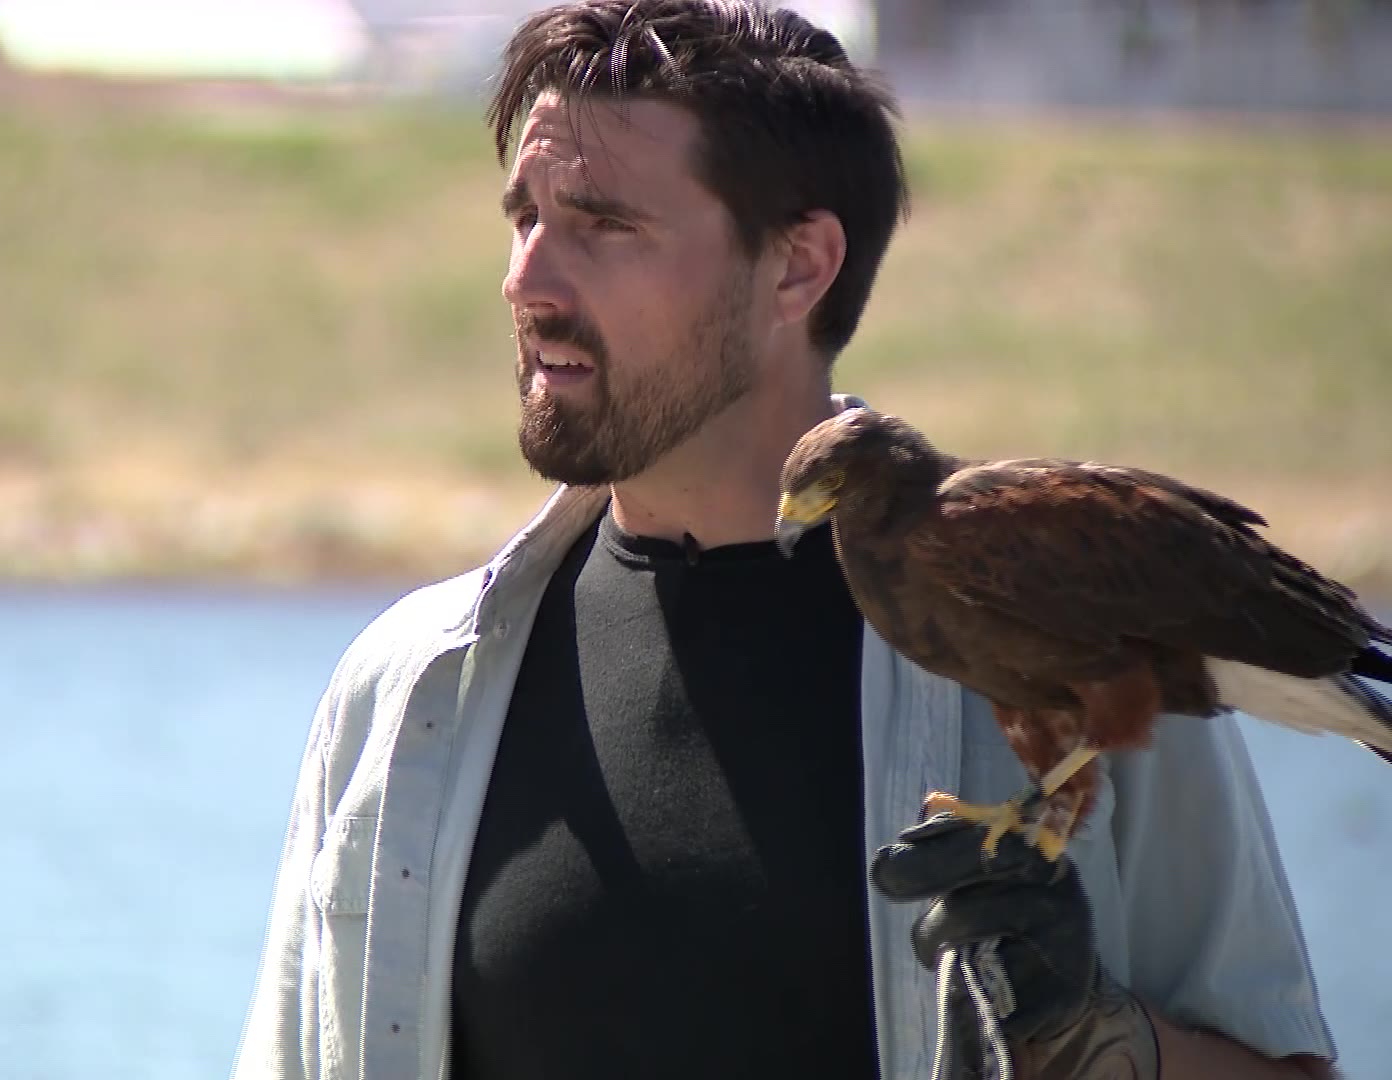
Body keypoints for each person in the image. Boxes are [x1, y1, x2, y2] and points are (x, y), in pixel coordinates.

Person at [231, 3, 1342, 1077]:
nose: (527, 280)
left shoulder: (1070, 636)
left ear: (798, 267)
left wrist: (1102, 1047)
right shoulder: (407, 692)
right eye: (525, 219)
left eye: (603, 224)